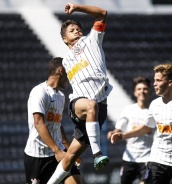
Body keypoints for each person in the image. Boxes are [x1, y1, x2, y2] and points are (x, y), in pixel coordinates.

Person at [47, 3, 113, 184]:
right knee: (90, 105)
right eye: (71, 30)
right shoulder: (66, 60)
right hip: (80, 104)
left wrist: (77, 7)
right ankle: (98, 153)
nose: (76, 31)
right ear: (64, 39)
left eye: (78, 29)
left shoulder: (92, 40)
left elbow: (102, 14)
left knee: (70, 157)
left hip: (100, 108)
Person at [24, 57, 81, 184]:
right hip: (38, 156)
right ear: (61, 71)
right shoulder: (39, 92)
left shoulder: (60, 96)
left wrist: (69, 149)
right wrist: (57, 151)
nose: (71, 76)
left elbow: (57, 124)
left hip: (59, 151)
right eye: (69, 72)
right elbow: (38, 123)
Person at [107, 76, 154, 184]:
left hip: (147, 159)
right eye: (139, 89)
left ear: (150, 92)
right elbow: (117, 130)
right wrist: (112, 134)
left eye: (145, 89)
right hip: (129, 158)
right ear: (134, 92)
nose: (142, 91)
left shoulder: (154, 111)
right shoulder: (128, 110)